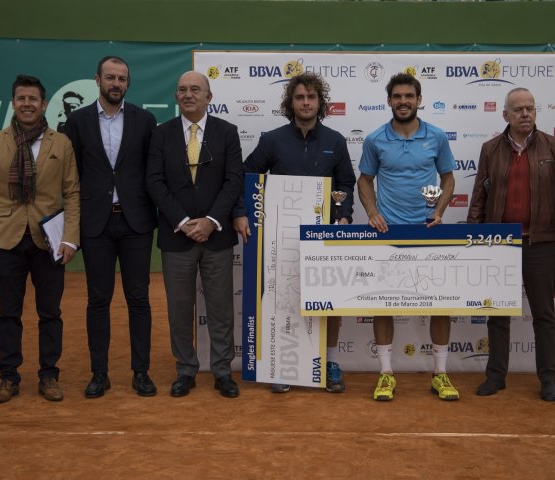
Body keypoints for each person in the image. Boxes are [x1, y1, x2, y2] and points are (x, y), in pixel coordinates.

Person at [234, 73, 355, 394]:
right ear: (291, 103)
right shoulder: (272, 140)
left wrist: (343, 216)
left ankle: (328, 363)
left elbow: (346, 185)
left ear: (320, 102)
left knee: (329, 304)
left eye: (311, 97)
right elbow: (247, 175)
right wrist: (242, 212)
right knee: (285, 298)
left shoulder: (336, 141)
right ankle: (283, 364)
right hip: (281, 239)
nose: (305, 103)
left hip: (325, 238)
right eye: (300, 97)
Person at [0, 74, 80, 404]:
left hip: (49, 241)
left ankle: (49, 375)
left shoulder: (60, 143)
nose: (27, 104)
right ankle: (9, 377)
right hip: (6, 240)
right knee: (8, 313)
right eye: (21, 99)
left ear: (44, 104)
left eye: (33, 99)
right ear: (13, 103)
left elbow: (72, 193)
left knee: (50, 312)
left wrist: (71, 239)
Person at [468, 88, 555, 402]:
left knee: (544, 315)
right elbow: (479, 199)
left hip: (540, 243)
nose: (525, 114)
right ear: (506, 115)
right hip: (499, 244)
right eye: (518, 109)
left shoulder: (553, 147)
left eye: (530, 108)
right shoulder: (490, 149)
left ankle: (548, 379)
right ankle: (496, 376)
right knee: (498, 314)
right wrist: (474, 242)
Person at [356, 72, 459, 402]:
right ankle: (386, 374)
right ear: (389, 101)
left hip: (427, 232)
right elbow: (364, 181)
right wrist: (372, 212)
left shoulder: (437, 136)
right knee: (384, 303)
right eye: (397, 96)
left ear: (418, 99)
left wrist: (439, 211)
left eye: (409, 96)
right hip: (388, 234)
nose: (403, 101)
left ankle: (440, 374)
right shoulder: (375, 139)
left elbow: (448, 179)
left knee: (439, 304)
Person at [65, 56, 158, 399]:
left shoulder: (145, 120)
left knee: (138, 299)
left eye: (121, 78)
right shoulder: (76, 122)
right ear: (98, 80)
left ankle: (141, 373)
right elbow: (69, 176)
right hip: (95, 223)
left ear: (128, 84)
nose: (116, 83)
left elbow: (153, 172)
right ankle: (99, 373)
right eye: (110, 77)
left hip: (136, 223)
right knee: (98, 300)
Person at [147, 71, 243, 398]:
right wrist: (185, 220)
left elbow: (233, 181)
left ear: (209, 96)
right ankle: (185, 370)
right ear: (176, 97)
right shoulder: (160, 135)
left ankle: (221, 371)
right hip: (177, 236)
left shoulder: (227, 133)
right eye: (182, 90)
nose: (188, 95)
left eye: (195, 90)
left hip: (216, 236)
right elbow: (154, 182)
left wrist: (212, 220)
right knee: (179, 308)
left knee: (220, 309)